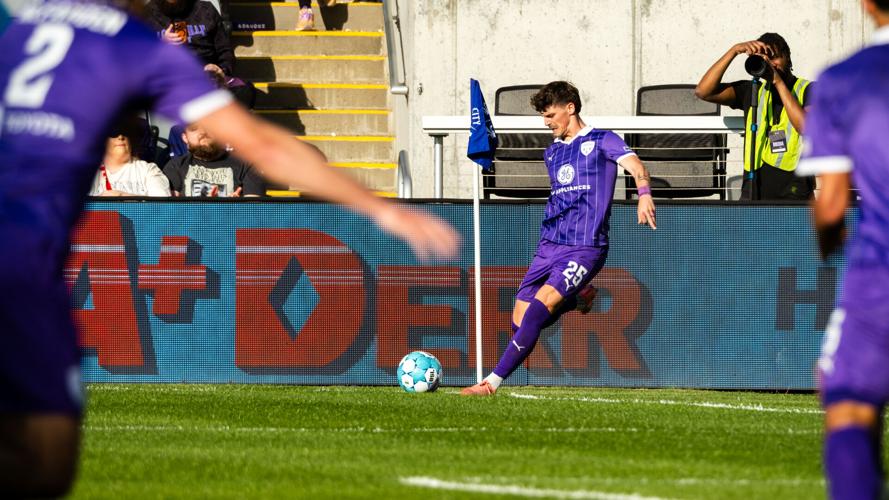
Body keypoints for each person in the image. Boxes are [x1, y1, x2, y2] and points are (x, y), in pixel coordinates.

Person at [0, 0, 458, 495]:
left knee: (43, 456)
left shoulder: (22, 20)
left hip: (28, 263)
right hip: (22, 264)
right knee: (47, 461)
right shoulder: (135, 46)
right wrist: (380, 207)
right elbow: (264, 146)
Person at [461, 81, 657, 396]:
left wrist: (644, 194)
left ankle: (491, 383)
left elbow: (636, 166)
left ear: (571, 108)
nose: (546, 122)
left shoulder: (602, 141)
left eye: (551, 114)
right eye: (543, 116)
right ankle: (579, 298)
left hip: (585, 246)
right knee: (521, 322)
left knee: (540, 309)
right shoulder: (552, 152)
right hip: (549, 244)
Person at [796, 1, 889, 498]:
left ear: (867, 5)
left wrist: (828, 243)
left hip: (882, 270)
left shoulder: (845, 79)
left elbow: (831, 205)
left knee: (850, 403)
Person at [695, 33, 815, 200]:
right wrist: (734, 50)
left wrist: (778, 82)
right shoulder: (753, 90)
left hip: (794, 190)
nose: (771, 64)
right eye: (766, 60)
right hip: (753, 189)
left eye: (775, 58)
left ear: (787, 57)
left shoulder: (809, 89)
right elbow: (703, 91)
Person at [144, 0, 255, 107]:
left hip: (208, 78)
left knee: (244, 92)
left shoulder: (205, 10)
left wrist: (220, 70)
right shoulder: (146, 14)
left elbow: (225, 51)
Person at [164, 123, 264, 197]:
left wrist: (235, 208)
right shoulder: (175, 165)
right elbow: (171, 212)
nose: (203, 132)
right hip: (190, 225)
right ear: (185, 138)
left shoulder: (246, 164)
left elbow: (254, 213)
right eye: (194, 128)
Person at [91, 126, 171, 197]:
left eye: (126, 132)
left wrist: (121, 196)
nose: (121, 137)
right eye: (113, 133)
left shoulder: (149, 170)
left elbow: (163, 208)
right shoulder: (88, 172)